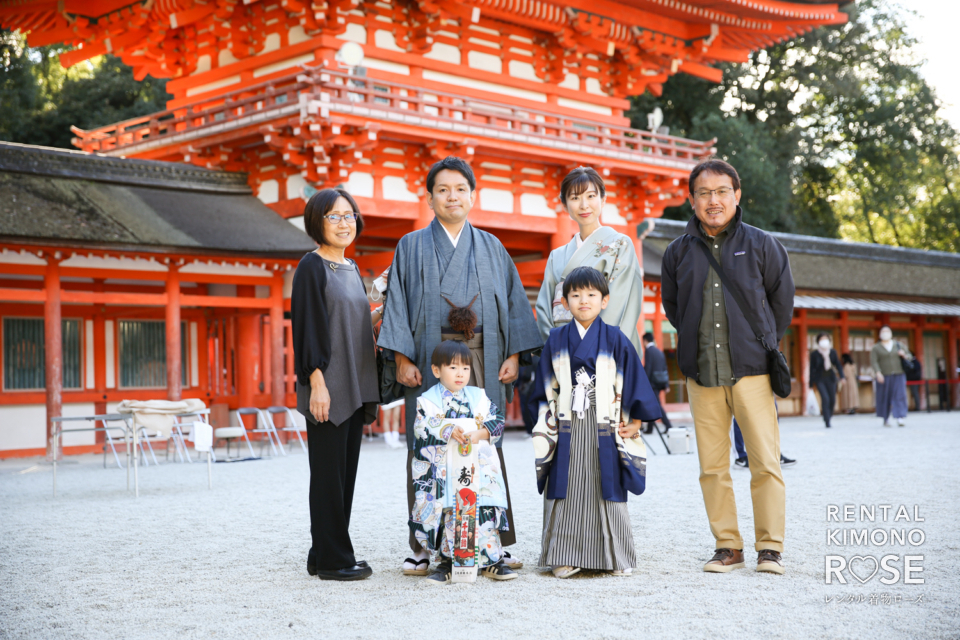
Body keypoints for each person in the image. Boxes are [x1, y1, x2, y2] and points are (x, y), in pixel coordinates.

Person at [378, 156, 542, 576]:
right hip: (428, 362)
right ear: (429, 197)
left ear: (473, 195)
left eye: (460, 189)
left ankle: (495, 545)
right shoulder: (410, 246)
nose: (453, 196)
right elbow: (396, 304)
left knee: (487, 446)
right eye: (443, 189)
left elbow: (514, 304)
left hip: (484, 361)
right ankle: (424, 545)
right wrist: (400, 357)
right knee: (427, 451)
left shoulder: (491, 246)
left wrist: (512, 354)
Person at [661, 158, 794, 576]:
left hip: (752, 372)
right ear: (692, 199)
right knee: (712, 468)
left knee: (765, 463)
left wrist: (759, 344)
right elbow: (674, 308)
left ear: (737, 195)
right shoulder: (678, 251)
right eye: (704, 193)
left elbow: (781, 304)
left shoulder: (762, 243)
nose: (713, 200)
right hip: (702, 375)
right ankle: (727, 546)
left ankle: (769, 548)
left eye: (722, 191)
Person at [531, 267, 661, 578]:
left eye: (591, 295)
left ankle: (615, 556)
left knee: (608, 485)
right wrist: (544, 424)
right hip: (566, 423)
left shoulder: (616, 338)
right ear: (565, 302)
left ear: (604, 301)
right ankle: (563, 555)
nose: (583, 300)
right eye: (575, 295)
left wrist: (637, 419)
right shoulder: (557, 338)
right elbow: (545, 386)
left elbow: (633, 380)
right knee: (567, 485)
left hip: (605, 421)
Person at [291, 188, 382, 581]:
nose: (345, 223)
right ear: (317, 222)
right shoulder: (311, 266)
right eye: (334, 217)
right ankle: (333, 560)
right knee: (328, 476)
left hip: (355, 385)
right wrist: (317, 382)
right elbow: (308, 326)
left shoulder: (350, 268)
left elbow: (351, 325)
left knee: (343, 476)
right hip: (327, 386)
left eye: (350, 215)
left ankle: (324, 552)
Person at [409, 341, 517, 584]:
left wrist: (481, 434)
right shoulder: (428, 401)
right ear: (436, 371)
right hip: (445, 473)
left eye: (465, 368)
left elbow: (497, 419)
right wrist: (447, 429)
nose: (461, 374)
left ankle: (492, 561)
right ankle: (447, 563)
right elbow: (421, 428)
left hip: (476, 468)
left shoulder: (479, 396)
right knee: (449, 512)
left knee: (483, 510)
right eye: (453, 367)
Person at [535, 166, 644, 353]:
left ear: (603, 199)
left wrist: (587, 349)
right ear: (564, 205)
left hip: (605, 352)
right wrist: (557, 347)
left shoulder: (620, 245)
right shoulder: (557, 256)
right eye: (575, 198)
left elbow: (619, 305)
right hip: (563, 353)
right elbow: (544, 308)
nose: (584, 205)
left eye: (591, 196)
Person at [871, 326, 913, 427]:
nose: (885, 333)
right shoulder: (876, 348)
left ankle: (900, 417)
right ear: (880, 334)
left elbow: (910, 356)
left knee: (900, 395)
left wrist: (904, 355)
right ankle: (886, 418)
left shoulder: (898, 345)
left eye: (887, 331)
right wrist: (878, 373)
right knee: (884, 397)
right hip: (884, 375)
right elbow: (874, 362)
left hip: (899, 373)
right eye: (883, 331)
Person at [641, 332, 673, 434]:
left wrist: (644, 383)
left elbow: (648, 368)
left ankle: (668, 425)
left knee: (657, 405)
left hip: (652, 383)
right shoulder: (659, 351)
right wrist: (666, 384)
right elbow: (665, 368)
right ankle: (650, 428)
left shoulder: (649, 351)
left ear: (645, 341)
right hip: (660, 382)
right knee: (652, 404)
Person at [809, 333, 841, 429]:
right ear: (818, 341)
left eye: (826, 339)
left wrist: (842, 377)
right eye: (822, 339)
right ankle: (827, 420)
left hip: (831, 379)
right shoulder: (814, 354)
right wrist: (810, 383)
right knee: (825, 398)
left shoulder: (832, 352)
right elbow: (812, 369)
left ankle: (829, 416)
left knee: (832, 399)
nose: (824, 341)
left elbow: (838, 365)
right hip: (820, 379)